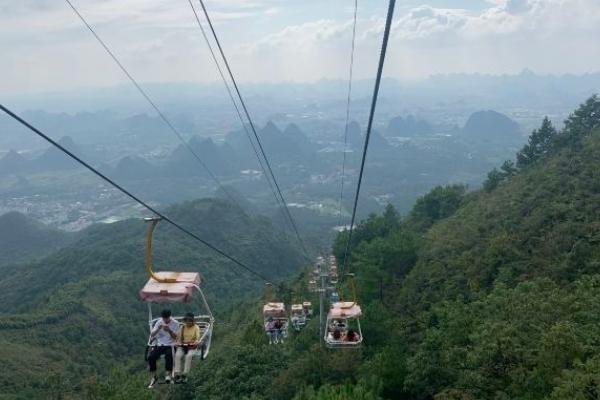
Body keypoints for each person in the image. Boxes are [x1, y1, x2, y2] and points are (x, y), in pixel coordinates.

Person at [147, 309, 179, 388]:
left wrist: (169, 330)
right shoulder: (159, 322)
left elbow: (176, 338)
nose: (165, 320)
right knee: (151, 357)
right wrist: (158, 328)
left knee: (169, 355)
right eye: (164, 318)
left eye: (167, 318)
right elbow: (152, 334)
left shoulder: (175, 323)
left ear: (170, 317)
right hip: (160, 344)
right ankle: (154, 377)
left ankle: (168, 374)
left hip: (171, 344)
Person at [174, 312, 201, 383]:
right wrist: (178, 342)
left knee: (189, 356)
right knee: (177, 355)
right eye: (187, 320)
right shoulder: (183, 327)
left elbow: (198, 337)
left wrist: (197, 341)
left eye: (190, 320)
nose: (188, 322)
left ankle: (185, 374)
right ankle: (177, 374)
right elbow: (179, 338)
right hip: (183, 345)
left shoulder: (196, 327)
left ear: (192, 321)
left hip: (192, 346)